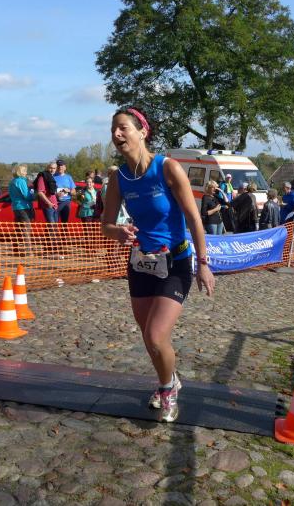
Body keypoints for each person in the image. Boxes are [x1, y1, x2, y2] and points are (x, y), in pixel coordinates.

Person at [101, 107, 214, 423]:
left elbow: (194, 218)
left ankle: (167, 391)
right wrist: (117, 231)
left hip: (175, 262)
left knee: (154, 335)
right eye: (113, 130)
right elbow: (105, 225)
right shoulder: (119, 178)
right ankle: (170, 379)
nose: (116, 134)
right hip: (141, 263)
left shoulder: (167, 168)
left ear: (142, 132)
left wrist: (203, 263)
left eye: (123, 128)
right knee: (150, 338)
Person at [8, 165, 34, 256]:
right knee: (26, 229)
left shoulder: (12, 181)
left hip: (15, 207)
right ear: (21, 172)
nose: (26, 173)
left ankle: (15, 249)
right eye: (25, 171)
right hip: (24, 207)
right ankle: (29, 251)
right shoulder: (21, 181)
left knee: (18, 229)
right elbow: (26, 195)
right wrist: (33, 193)